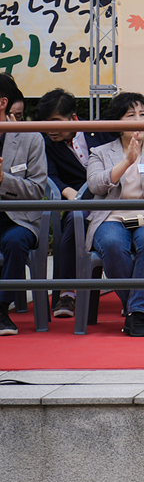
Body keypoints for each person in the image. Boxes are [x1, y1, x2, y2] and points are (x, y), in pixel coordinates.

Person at [84, 91, 144, 337]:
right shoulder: (100, 153)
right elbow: (95, 185)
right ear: (117, 121)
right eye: (130, 115)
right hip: (110, 216)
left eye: (143, 114)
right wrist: (126, 161)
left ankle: (135, 313)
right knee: (112, 244)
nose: (138, 120)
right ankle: (141, 312)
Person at [38, 88, 110, 319]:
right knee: (73, 219)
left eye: (57, 121)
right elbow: (51, 177)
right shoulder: (46, 144)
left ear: (74, 118)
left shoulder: (99, 132)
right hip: (78, 199)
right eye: (46, 122)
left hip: (114, 195)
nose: (51, 129)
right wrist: (72, 195)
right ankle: (67, 293)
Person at [0, 74, 49, 336]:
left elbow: (37, 189)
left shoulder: (31, 138)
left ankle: (1, 309)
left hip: (17, 219)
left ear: (2, 102)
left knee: (15, 242)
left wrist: (4, 179)